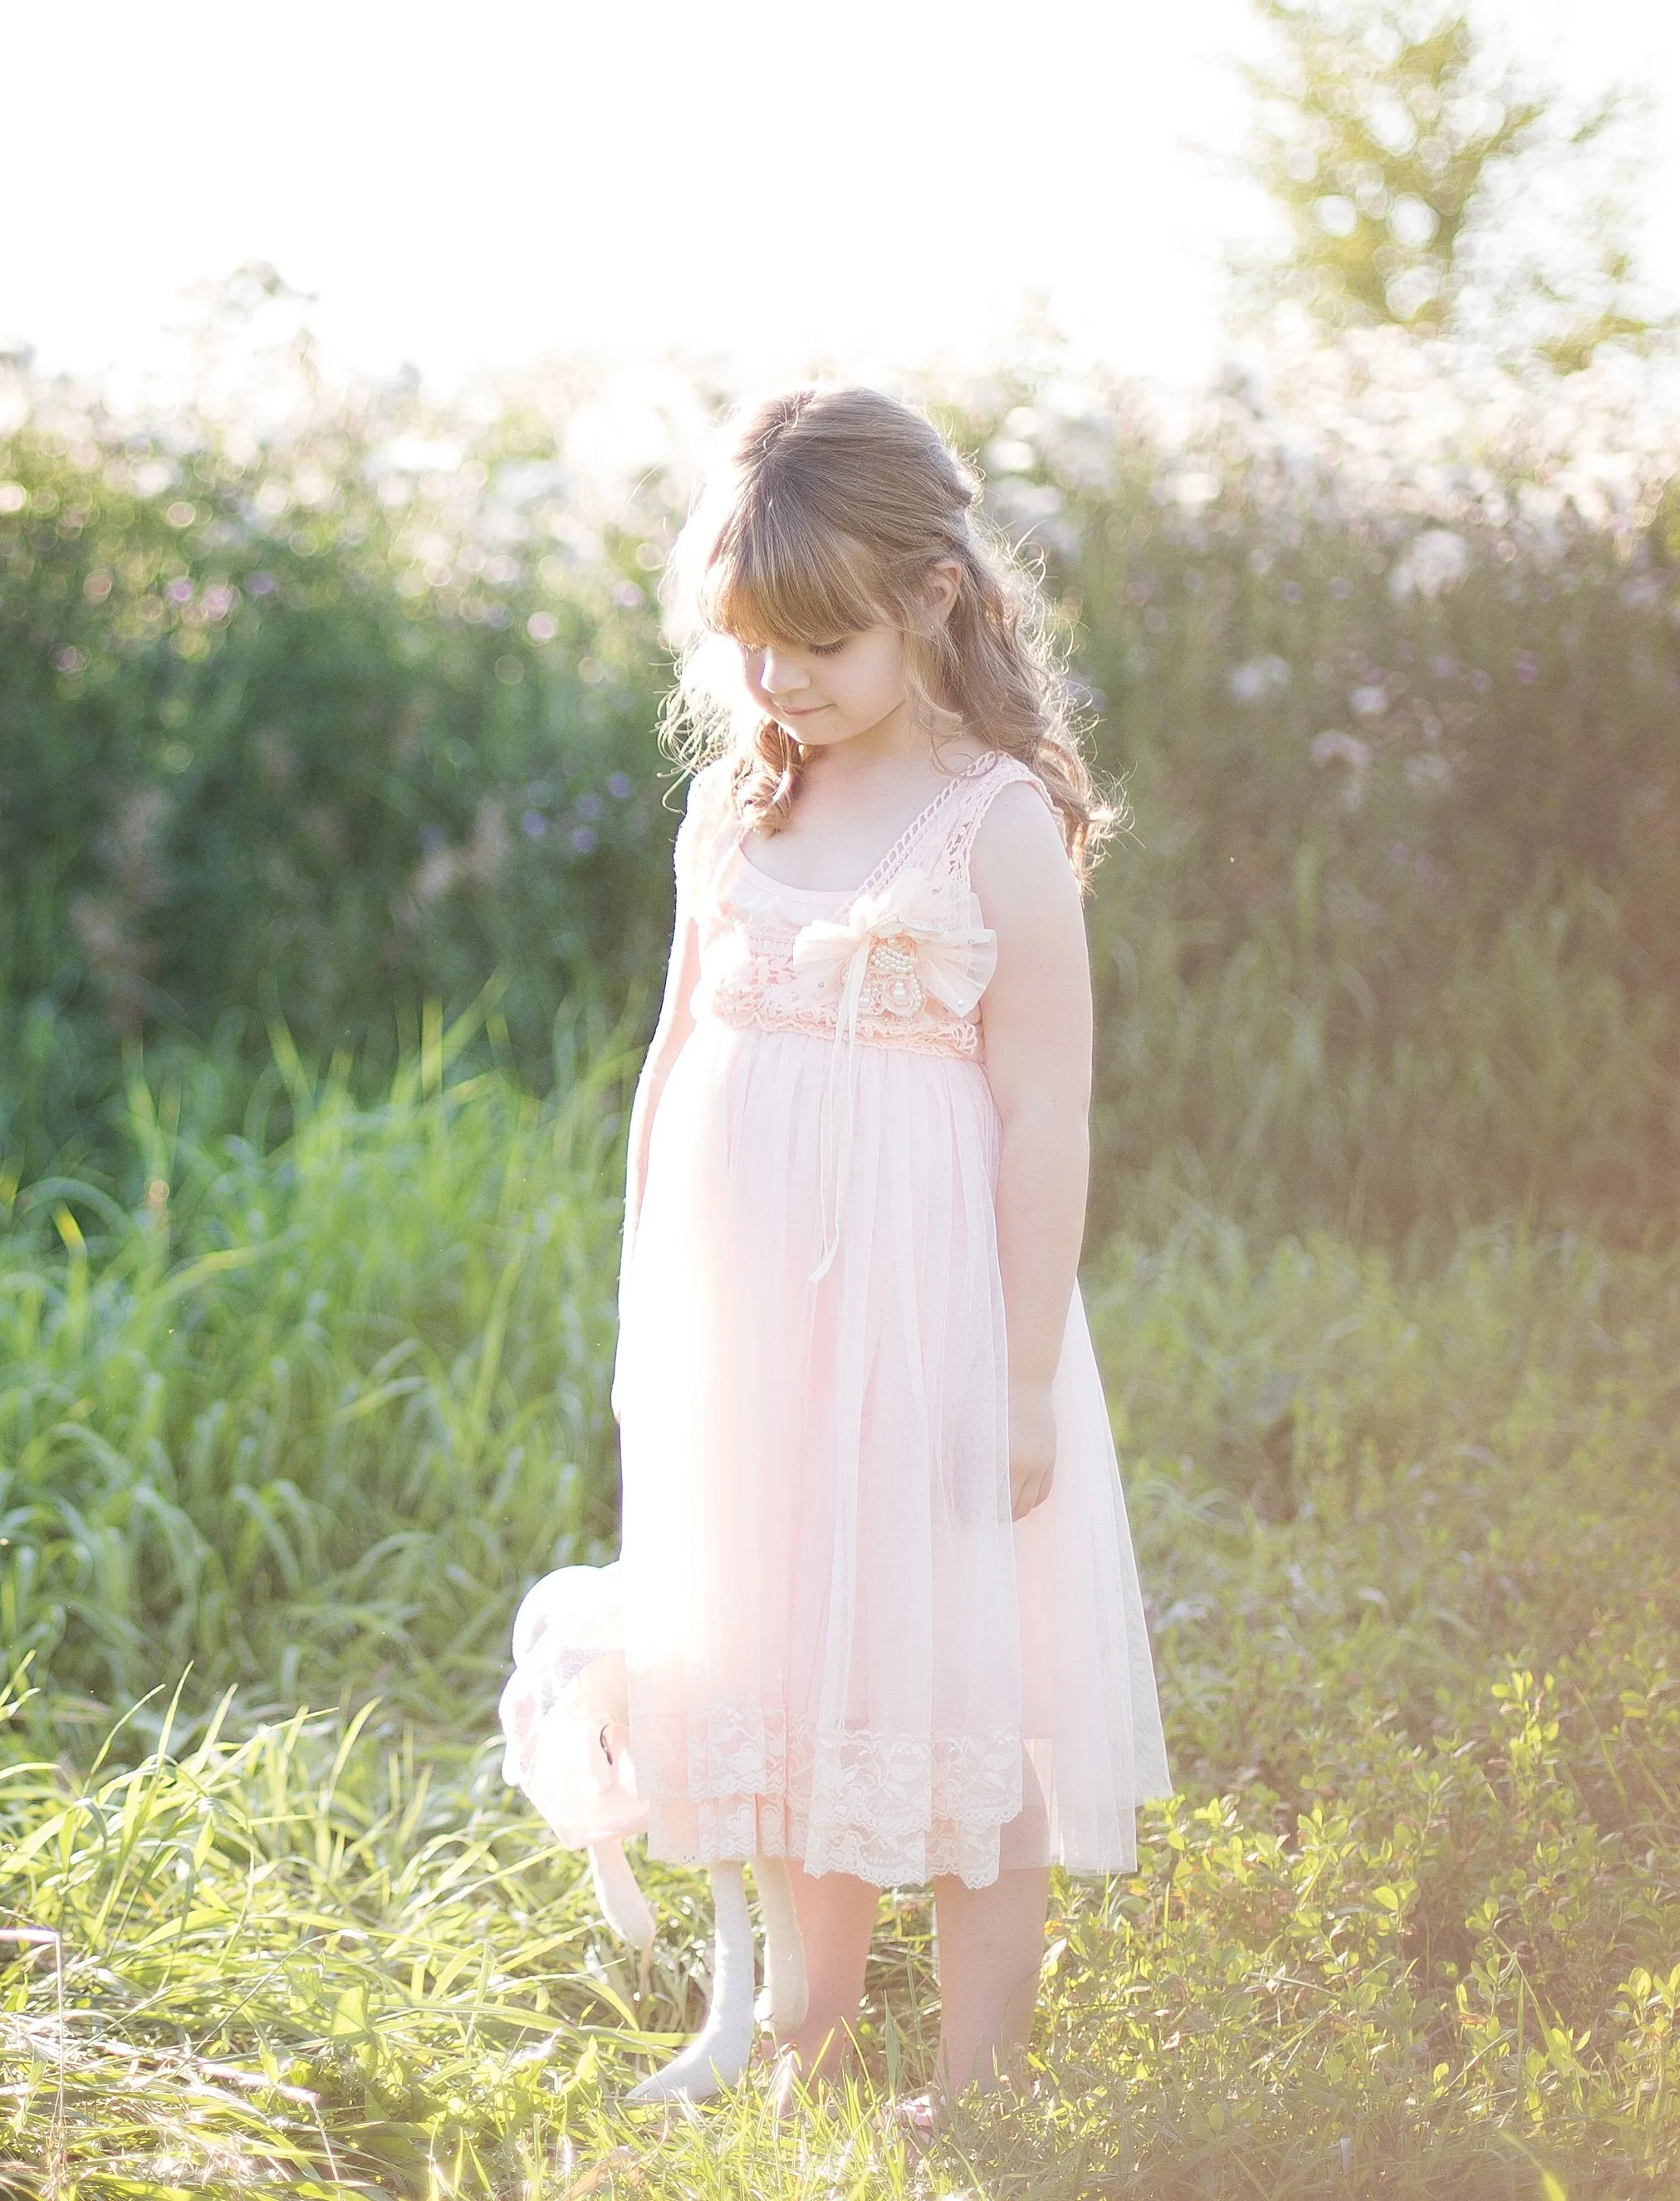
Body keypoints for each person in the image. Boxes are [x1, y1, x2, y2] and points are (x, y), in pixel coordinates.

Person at [521, 385, 1170, 2124]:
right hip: (746, 1316)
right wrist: (648, 1297)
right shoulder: (736, 812)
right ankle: (802, 2034)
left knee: (948, 1672)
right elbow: (670, 1058)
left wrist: (1022, 1374)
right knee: (791, 1671)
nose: (776, 681)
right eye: (746, 644)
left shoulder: (994, 824)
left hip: (926, 1320)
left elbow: (1045, 1114)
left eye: (816, 641)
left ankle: (977, 2077)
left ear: (932, 603)